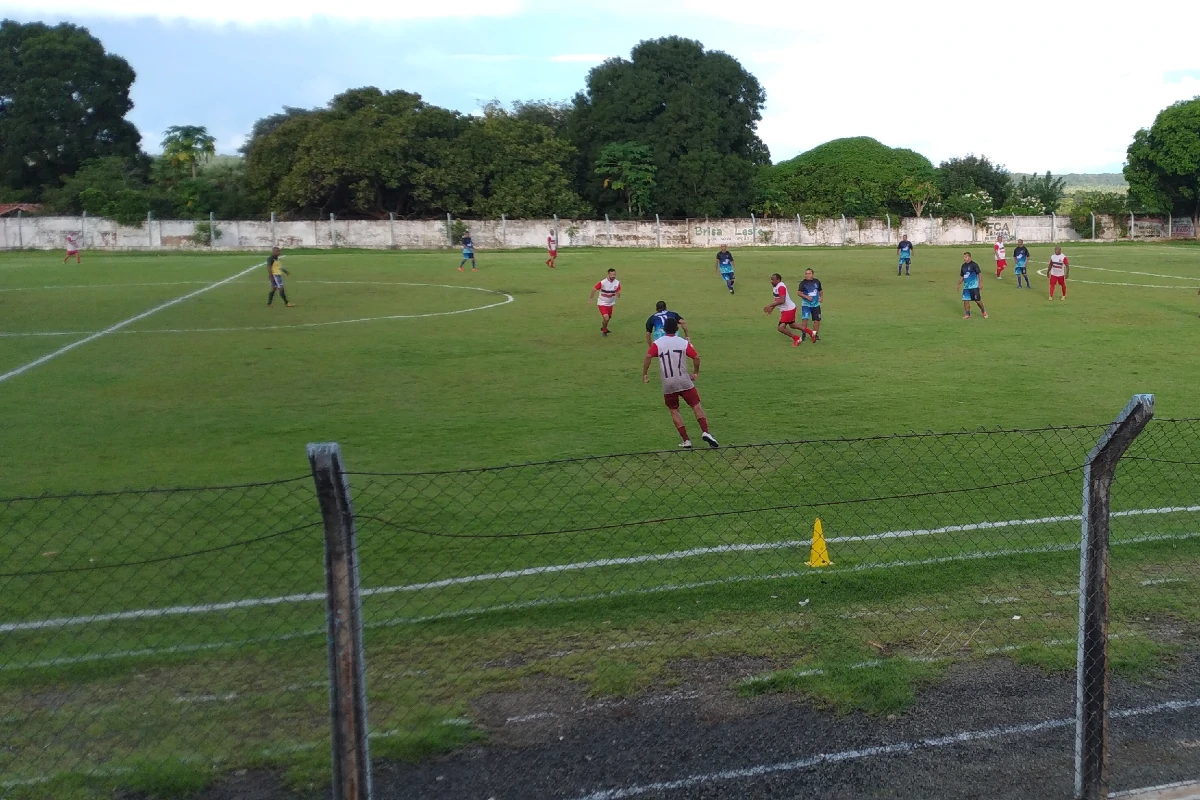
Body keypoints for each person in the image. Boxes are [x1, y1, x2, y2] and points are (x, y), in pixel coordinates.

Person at [642, 316, 719, 449]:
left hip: (668, 383)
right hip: (684, 380)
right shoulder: (682, 342)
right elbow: (696, 357)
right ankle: (706, 432)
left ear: (664, 329)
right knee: (696, 406)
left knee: (674, 410)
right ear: (677, 329)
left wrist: (645, 373)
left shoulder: (658, 343)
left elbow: (648, 356)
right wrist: (695, 372)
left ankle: (686, 440)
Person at [764, 273, 814, 346]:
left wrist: (770, 305)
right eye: (771, 279)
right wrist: (773, 307)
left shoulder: (781, 287)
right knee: (792, 325)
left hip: (788, 310)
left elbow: (782, 300)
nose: (771, 281)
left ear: (778, 280)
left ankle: (796, 338)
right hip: (787, 309)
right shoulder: (776, 286)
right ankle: (811, 333)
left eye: (773, 280)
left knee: (781, 328)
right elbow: (778, 299)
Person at [589, 268, 621, 336]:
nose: (613, 276)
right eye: (612, 274)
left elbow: (618, 293)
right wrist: (591, 298)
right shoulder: (603, 282)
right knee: (606, 317)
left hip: (610, 303)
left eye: (614, 274)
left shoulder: (617, 283)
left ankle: (604, 328)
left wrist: (618, 295)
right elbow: (594, 289)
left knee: (608, 317)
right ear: (608, 274)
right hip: (602, 303)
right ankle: (604, 330)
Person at [957, 252, 987, 319]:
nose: (964, 259)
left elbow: (979, 274)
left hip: (974, 286)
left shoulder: (974, 265)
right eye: (964, 257)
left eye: (966, 257)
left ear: (969, 257)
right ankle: (967, 314)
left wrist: (980, 283)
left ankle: (983, 311)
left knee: (978, 301)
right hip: (966, 287)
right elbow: (962, 276)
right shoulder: (963, 266)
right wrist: (958, 284)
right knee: (965, 300)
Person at [798, 268, 823, 341]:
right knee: (805, 319)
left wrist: (821, 297)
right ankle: (803, 334)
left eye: (809, 273)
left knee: (817, 320)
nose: (807, 275)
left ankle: (814, 334)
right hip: (806, 305)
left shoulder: (817, 282)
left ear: (812, 274)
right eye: (806, 274)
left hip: (816, 305)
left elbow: (820, 290)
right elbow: (799, 293)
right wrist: (806, 297)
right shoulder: (803, 283)